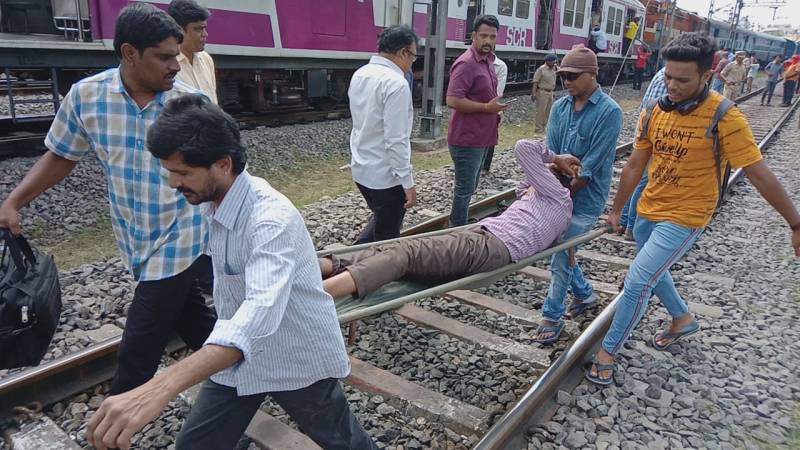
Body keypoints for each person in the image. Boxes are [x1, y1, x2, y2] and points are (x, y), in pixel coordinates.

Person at [86, 95, 376, 450]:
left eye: (182, 173)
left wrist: (160, 386)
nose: (173, 184)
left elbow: (258, 314)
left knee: (343, 441)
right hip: (238, 357)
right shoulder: (216, 201)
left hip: (295, 354)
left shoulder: (270, 220)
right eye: (170, 172)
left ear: (223, 164)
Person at [0, 3, 217, 396]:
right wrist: (13, 201)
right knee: (195, 319)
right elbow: (62, 155)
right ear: (129, 54)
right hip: (134, 238)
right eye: (165, 57)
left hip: (181, 236)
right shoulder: (87, 97)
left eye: (176, 56)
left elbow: (225, 172)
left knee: (140, 344)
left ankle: (117, 420)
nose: (175, 65)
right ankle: (245, 369)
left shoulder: (190, 105)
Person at [589, 32, 800, 386]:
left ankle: (608, 350)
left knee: (639, 279)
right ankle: (682, 318)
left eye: (682, 80)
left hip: (687, 216)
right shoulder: (656, 110)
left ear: (707, 76)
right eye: (667, 76)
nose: (671, 85)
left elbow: (758, 173)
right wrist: (617, 210)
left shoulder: (726, 117)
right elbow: (635, 165)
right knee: (653, 272)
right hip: (648, 209)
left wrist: (795, 222)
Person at [320, 140, 580, 299]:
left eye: (547, 173)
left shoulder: (555, 194)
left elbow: (524, 148)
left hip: (489, 245)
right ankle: (315, 268)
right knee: (389, 250)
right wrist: (551, 169)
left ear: (552, 179)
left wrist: (555, 158)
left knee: (405, 253)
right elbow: (523, 188)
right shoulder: (559, 210)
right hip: (484, 242)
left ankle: (318, 295)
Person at [532, 45, 623, 344]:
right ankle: (584, 294)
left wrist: (560, 197)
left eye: (573, 76)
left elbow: (589, 168)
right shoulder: (559, 108)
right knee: (564, 249)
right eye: (563, 76)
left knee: (560, 250)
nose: (567, 81)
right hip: (559, 192)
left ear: (592, 75)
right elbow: (552, 156)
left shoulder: (610, 113)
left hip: (585, 200)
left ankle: (552, 315)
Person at [348, 25, 419, 244]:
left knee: (381, 220)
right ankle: (354, 271)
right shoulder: (396, 84)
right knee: (386, 239)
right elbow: (396, 140)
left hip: (361, 168)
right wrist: (408, 183)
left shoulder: (360, 74)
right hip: (385, 176)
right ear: (403, 53)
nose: (412, 63)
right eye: (413, 56)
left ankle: (343, 264)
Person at [446, 15, 507, 227]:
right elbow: (452, 99)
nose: (488, 40)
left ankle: (458, 223)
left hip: (482, 137)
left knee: (471, 186)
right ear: (474, 36)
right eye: (483, 35)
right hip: (466, 138)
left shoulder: (488, 61)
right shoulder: (466, 63)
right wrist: (486, 108)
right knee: (464, 190)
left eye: (492, 36)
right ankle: (457, 229)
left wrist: (494, 112)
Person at [619, 66, 667, 241]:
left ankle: (625, 221)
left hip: (647, 132)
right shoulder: (669, 78)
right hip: (652, 136)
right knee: (643, 181)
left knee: (639, 180)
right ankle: (630, 227)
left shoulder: (664, 73)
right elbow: (658, 108)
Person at [169, 0, 217, 104]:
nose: (205, 34)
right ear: (179, 30)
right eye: (198, 29)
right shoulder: (167, 65)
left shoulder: (206, 59)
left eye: (205, 28)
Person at [482, 55, 508, 174]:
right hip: (475, 105)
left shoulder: (500, 66)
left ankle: (485, 166)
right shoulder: (469, 64)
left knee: (490, 135)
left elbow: (498, 92)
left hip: (491, 104)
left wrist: (497, 109)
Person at [531, 54, 558, 133]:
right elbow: (535, 82)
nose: (554, 63)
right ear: (548, 61)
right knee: (541, 111)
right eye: (553, 61)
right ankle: (538, 128)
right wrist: (533, 93)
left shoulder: (554, 69)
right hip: (542, 92)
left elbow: (561, 72)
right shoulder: (541, 69)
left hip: (550, 93)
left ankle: (545, 127)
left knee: (548, 111)